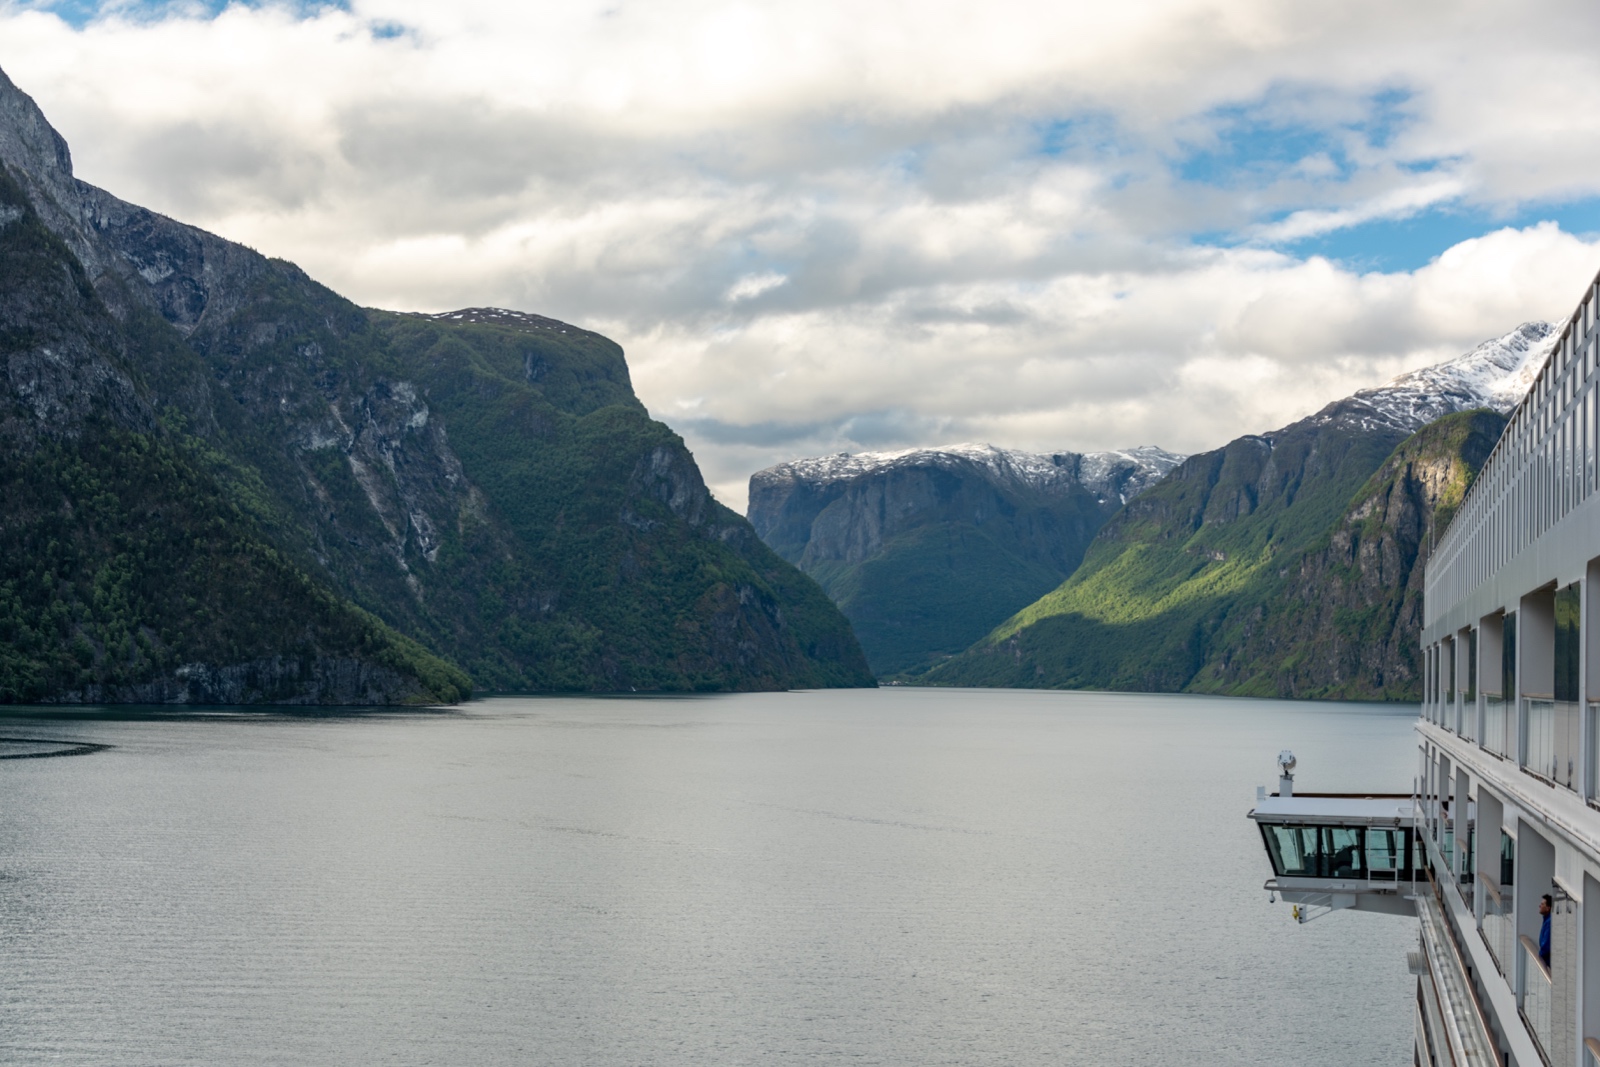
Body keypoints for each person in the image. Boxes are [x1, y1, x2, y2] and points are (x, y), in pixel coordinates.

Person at [1539, 894, 1553, 967]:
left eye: (1542, 904)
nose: (1539, 906)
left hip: (1548, 963)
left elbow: (1546, 945)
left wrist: (1539, 957)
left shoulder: (1549, 922)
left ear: (1548, 908)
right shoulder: (1547, 920)